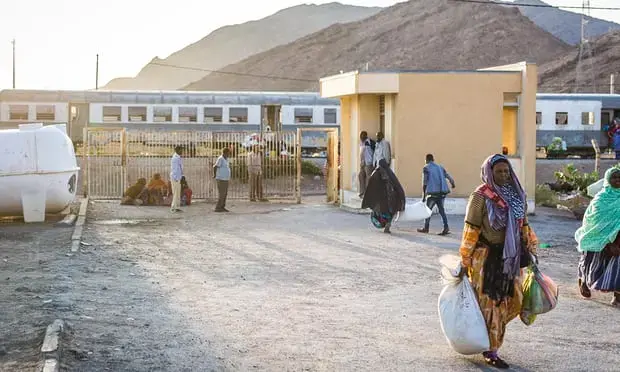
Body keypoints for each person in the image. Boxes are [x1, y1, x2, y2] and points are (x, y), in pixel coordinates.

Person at [458, 154, 538, 369]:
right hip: (486, 259)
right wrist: (465, 260)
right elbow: (471, 229)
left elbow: (524, 225)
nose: (503, 175)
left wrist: (530, 246)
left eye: (506, 171)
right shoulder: (481, 196)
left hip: (510, 259)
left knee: (511, 301)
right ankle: (491, 350)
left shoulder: (517, 194)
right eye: (499, 171)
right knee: (490, 304)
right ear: (489, 173)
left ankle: (490, 342)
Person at [575, 166, 620, 306]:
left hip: (618, 239)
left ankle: (617, 294)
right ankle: (583, 281)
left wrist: (615, 241)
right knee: (591, 264)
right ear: (607, 180)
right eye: (614, 177)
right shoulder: (600, 199)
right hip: (596, 238)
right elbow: (592, 221)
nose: (618, 180)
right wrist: (606, 240)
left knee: (616, 267)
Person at [361, 159, 406, 234]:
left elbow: (372, 185)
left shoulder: (378, 173)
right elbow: (397, 186)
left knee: (386, 212)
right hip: (389, 198)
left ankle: (386, 226)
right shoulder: (388, 173)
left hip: (385, 198)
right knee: (389, 213)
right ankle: (387, 226)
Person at [418, 154, 455, 236]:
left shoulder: (426, 168)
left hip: (432, 194)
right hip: (441, 193)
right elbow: (448, 176)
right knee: (442, 211)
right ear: (433, 159)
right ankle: (446, 227)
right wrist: (452, 183)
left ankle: (426, 228)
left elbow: (425, 182)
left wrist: (424, 195)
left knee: (427, 211)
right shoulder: (440, 167)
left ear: (426, 160)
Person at [213, 147, 231, 212]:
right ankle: (218, 207)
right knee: (222, 194)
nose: (229, 154)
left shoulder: (226, 159)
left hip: (225, 179)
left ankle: (222, 206)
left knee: (225, 194)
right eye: (228, 153)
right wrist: (214, 175)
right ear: (225, 153)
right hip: (221, 179)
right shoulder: (220, 159)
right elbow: (215, 167)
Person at [358, 131, 375, 197]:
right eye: (360, 136)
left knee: (368, 177)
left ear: (365, 136)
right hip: (363, 163)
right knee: (360, 176)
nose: (361, 137)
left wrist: (373, 162)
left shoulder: (370, 142)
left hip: (369, 162)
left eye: (362, 136)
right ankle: (362, 192)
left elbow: (375, 152)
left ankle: (368, 193)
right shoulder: (361, 143)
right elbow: (361, 153)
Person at [170, 146, 184, 213]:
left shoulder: (178, 157)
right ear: (177, 150)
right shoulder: (175, 158)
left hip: (178, 177)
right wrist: (176, 177)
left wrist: (181, 176)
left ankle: (177, 207)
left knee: (178, 192)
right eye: (181, 150)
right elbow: (175, 169)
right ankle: (173, 207)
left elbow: (180, 168)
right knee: (175, 193)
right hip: (175, 177)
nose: (182, 151)